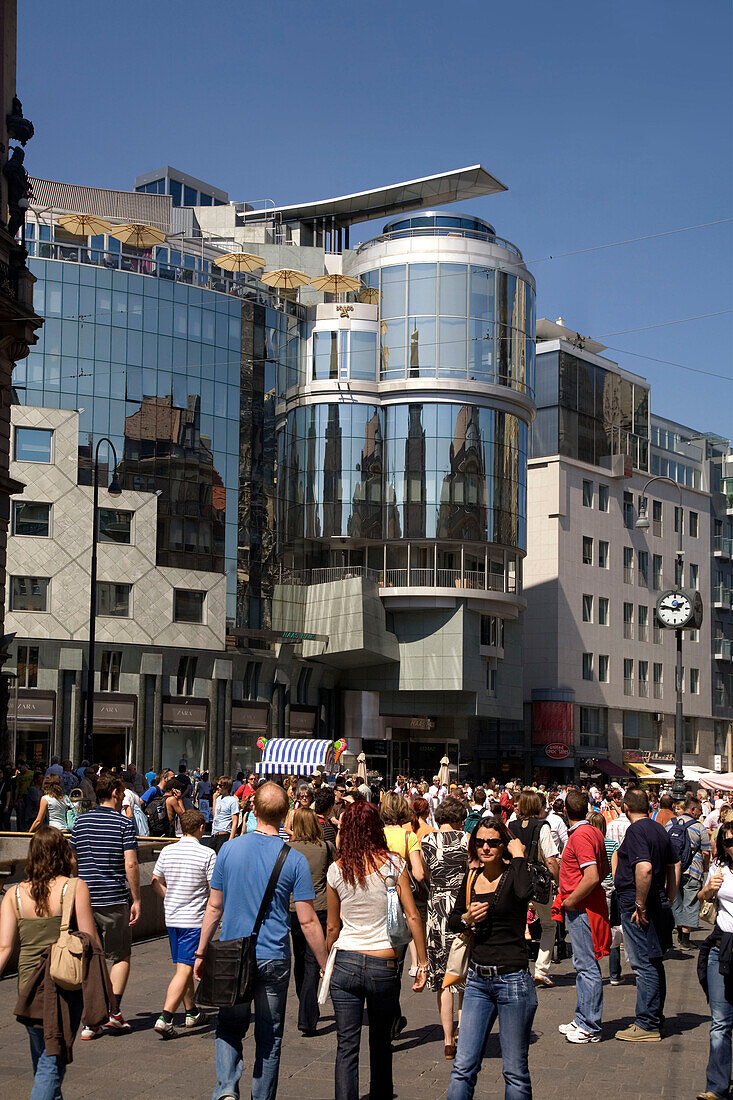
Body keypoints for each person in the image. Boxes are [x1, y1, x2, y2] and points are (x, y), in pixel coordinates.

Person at [194, 781, 327, 1100]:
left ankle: (226, 1088)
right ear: (285, 815)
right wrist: (325, 963)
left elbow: (214, 906)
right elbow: (307, 920)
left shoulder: (228, 849)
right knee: (270, 1036)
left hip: (232, 952)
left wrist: (200, 952)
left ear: (253, 810)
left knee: (228, 1025)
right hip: (274, 956)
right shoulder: (293, 858)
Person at [326, 800, 428, 1100]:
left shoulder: (337, 869)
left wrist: (326, 960)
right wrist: (421, 962)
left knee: (346, 1045)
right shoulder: (394, 864)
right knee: (381, 1043)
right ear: (376, 828)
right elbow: (412, 916)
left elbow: (333, 926)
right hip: (383, 962)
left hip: (345, 959)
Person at [0, 828, 99, 1098]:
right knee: (51, 1064)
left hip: (28, 987)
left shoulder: (14, 894)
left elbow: (4, 947)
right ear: (62, 854)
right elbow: (90, 941)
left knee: (44, 1059)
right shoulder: (75, 887)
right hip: (64, 985)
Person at [446, 816, 536, 1099]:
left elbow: (525, 892)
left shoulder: (514, 874)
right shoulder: (471, 876)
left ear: (504, 845)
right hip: (477, 981)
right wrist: (467, 917)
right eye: (480, 842)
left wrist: (519, 856)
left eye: (493, 842)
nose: (486, 847)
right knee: (463, 1066)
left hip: (513, 981)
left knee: (515, 1072)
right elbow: (453, 922)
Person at [69, 772, 140, 1038]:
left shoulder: (81, 822)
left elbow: (73, 860)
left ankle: (90, 1021)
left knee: (90, 958)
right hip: (113, 898)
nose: (123, 796)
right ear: (114, 793)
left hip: (85, 899)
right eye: (121, 792)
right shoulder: (123, 824)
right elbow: (131, 864)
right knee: (120, 956)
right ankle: (114, 1012)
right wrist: (137, 899)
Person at [613, 788, 679, 1041]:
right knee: (654, 960)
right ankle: (653, 1019)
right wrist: (669, 898)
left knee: (644, 964)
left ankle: (647, 1023)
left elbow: (645, 868)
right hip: (656, 899)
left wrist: (640, 904)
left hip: (639, 902)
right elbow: (675, 864)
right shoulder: (658, 829)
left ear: (625, 808)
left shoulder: (637, 830)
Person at [151, 808, 215, 1038]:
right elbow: (214, 889)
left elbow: (155, 881)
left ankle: (191, 1011)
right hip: (194, 919)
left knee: (181, 966)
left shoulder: (168, 851)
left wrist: (170, 895)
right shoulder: (207, 854)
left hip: (172, 917)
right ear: (200, 828)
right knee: (185, 968)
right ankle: (165, 1017)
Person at [557, 789, 610, 1043]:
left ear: (565, 812)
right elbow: (604, 868)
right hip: (586, 905)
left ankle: (590, 1024)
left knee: (586, 967)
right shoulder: (595, 832)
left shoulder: (581, 836)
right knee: (583, 965)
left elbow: (592, 876)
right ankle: (583, 1018)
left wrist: (570, 901)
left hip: (582, 908)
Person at [422, 795, 469, 1058]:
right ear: (459, 818)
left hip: (436, 909)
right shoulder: (467, 839)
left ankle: (447, 1039)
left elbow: (422, 874)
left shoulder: (427, 840)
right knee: (461, 973)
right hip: (460, 909)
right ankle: (463, 1031)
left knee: (442, 979)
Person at [288, 806, 334, 1035]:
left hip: (293, 908)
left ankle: (305, 1004)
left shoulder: (287, 848)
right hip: (320, 908)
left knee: (300, 957)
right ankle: (307, 1012)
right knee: (312, 961)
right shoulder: (325, 847)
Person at [696, 818, 733, 1100]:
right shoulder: (719, 868)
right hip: (722, 946)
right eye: (729, 842)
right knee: (719, 1023)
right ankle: (716, 1087)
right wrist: (708, 890)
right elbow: (702, 897)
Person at [509, 789, 560, 989]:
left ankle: (518, 967)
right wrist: (558, 880)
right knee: (548, 925)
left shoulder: (510, 825)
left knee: (518, 924)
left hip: (516, 880)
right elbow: (550, 859)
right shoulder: (542, 827)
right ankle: (541, 970)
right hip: (538, 883)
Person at [669, 793, 711, 948]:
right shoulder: (699, 827)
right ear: (692, 810)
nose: (700, 813)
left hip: (673, 870)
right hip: (693, 870)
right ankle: (685, 939)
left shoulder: (670, 824)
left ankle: (679, 934)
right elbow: (706, 852)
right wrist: (705, 867)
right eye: (699, 810)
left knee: (676, 901)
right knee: (691, 902)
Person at [587, 810, 623, 985]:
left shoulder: (587, 845)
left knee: (591, 930)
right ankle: (615, 974)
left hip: (591, 890)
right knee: (611, 930)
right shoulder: (612, 845)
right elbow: (615, 873)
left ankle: (593, 971)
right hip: (609, 889)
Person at [206, 776, 240, 852]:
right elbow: (215, 816)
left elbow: (235, 822)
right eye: (217, 785)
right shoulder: (218, 798)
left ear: (227, 787)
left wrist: (231, 839)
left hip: (224, 834)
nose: (218, 787)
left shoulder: (232, 801)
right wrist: (214, 800)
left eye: (220, 786)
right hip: (214, 833)